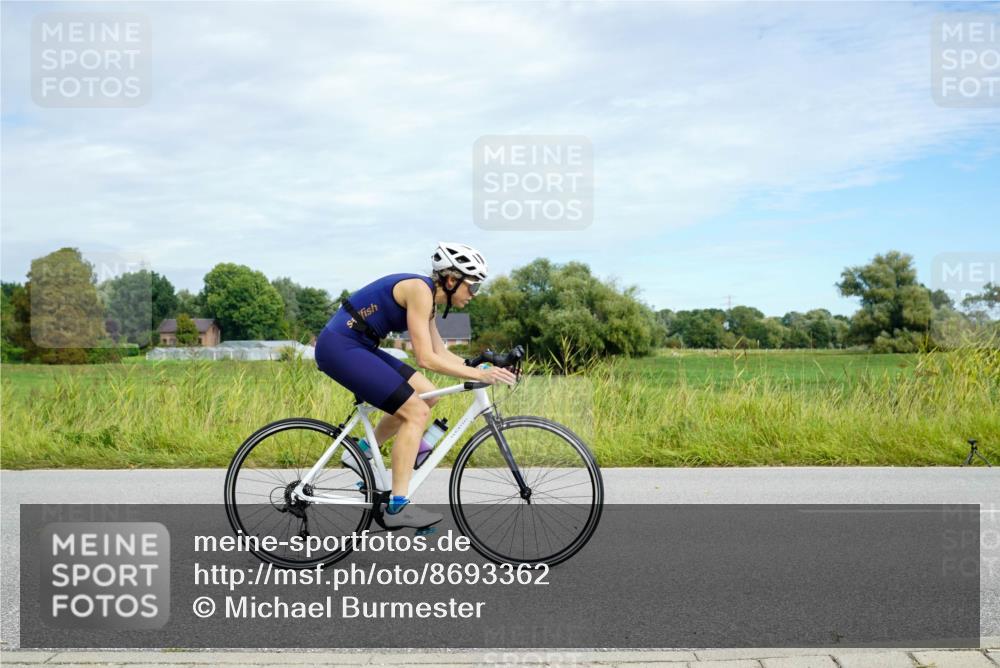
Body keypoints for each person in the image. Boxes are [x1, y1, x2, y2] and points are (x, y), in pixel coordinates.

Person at [314, 242, 517, 529]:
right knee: (416, 412)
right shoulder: (420, 292)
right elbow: (425, 358)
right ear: (450, 280)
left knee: (426, 393)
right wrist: (477, 377)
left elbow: (441, 353)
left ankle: (360, 452)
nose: (474, 295)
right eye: (472, 287)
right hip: (340, 347)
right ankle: (398, 506)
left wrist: (476, 368)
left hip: (358, 345)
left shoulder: (429, 301)